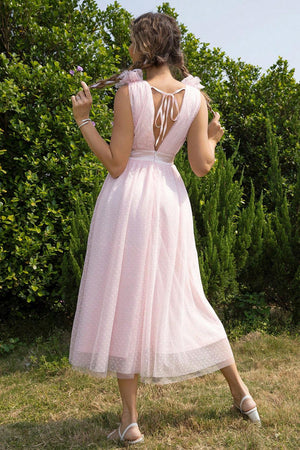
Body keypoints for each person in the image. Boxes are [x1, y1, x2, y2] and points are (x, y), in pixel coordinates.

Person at [69, 11, 261, 446]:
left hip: (128, 199)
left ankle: (131, 421)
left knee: (125, 298)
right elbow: (201, 166)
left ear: (146, 46)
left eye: (134, 42)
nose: (130, 49)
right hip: (169, 200)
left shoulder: (129, 92)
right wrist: (211, 137)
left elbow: (117, 163)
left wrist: (84, 119)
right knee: (186, 293)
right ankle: (242, 395)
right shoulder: (196, 96)